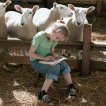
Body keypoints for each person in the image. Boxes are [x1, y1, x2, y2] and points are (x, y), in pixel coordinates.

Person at [28, 22, 77, 102]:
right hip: (37, 62)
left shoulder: (53, 38)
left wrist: (55, 56)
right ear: (53, 30)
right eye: (57, 38)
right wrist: (44, 58)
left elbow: (51, 51)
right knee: (55, 67)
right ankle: (42, 93)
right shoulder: (39, 37)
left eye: (59, 39)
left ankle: (71, 87)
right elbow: (30, 54)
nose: (57, 40)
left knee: (64, 65)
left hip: (47, 60)